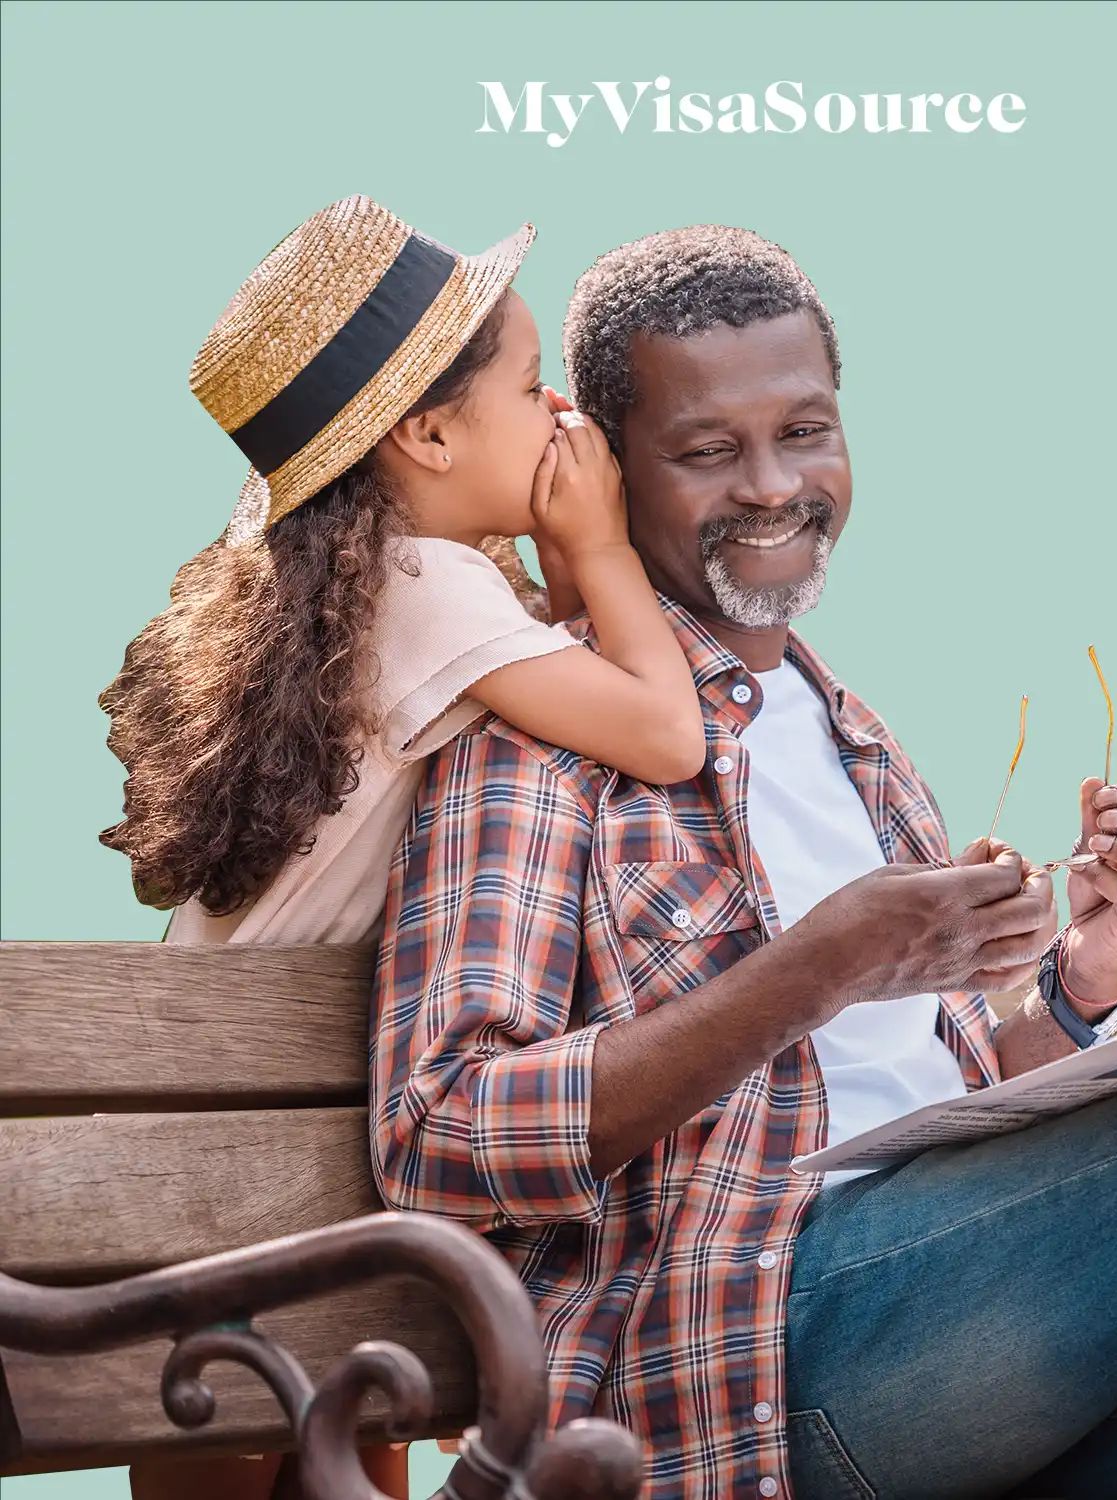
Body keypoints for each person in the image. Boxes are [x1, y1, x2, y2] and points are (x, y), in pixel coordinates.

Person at [370, 226, 1117, 1500]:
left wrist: (1079, 986)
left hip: (949, 1350)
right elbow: (439, 1133)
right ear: (605, 470)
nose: (770, 485)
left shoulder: (856, 741)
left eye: (805, 431)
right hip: (751, 1371)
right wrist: (820, 966)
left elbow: (931, 1098)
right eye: (705, 451)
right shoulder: (548, 738)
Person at [99, 196, 704, 1500]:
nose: (560, 419)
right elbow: (666, 732)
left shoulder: (364, 590)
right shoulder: (432, 592)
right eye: (536, 388)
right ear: (425, 433)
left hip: (225, 1140)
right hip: (256, 1181)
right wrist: (597, 546)